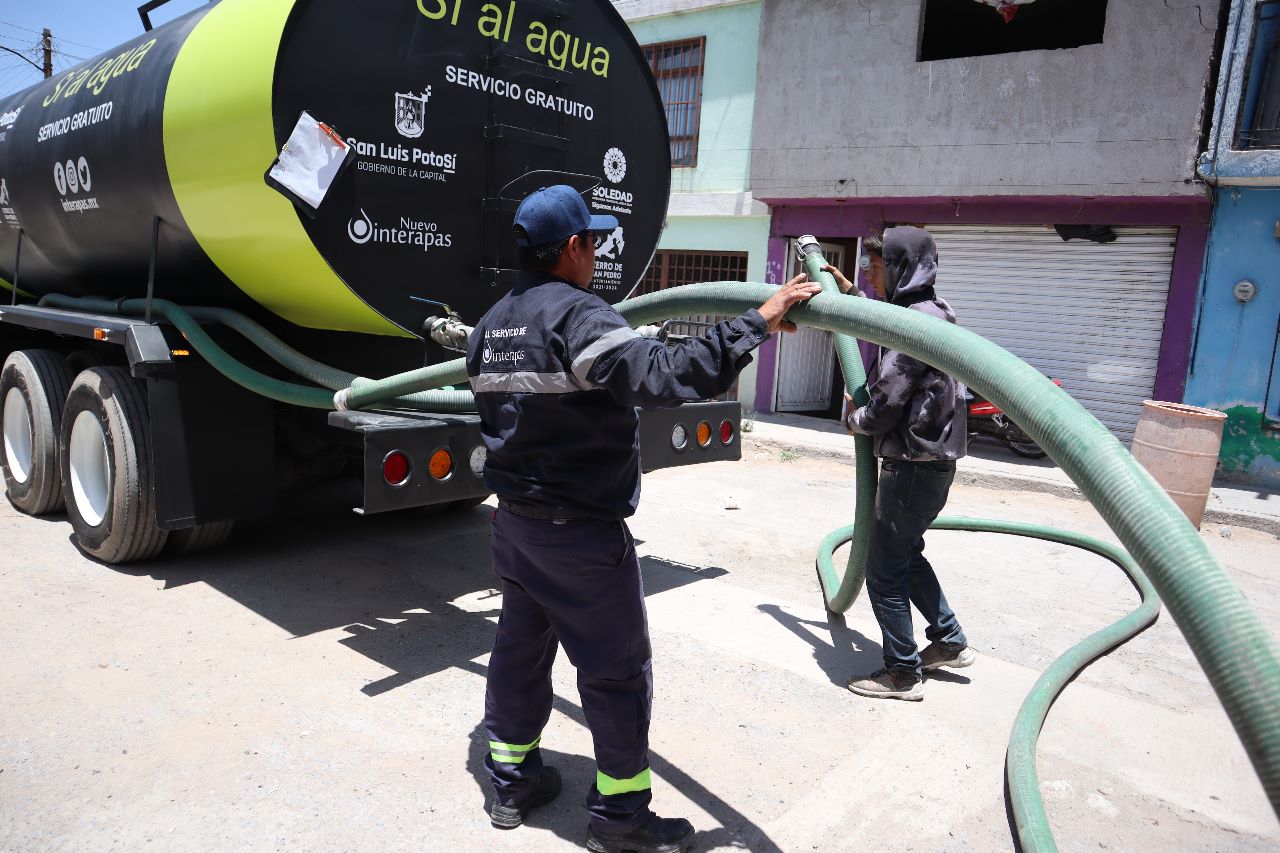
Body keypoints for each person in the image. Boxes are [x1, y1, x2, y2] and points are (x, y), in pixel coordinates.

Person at [466, 184, 821, 852]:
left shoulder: (490, 328)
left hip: (513, 528)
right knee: (615, 671)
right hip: (579, 535)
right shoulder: (579, 316)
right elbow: (667, 376)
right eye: (593, 242)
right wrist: (761, 318)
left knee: (518, 650)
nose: (596, 254)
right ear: (571, 246)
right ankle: (621, 819)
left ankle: (510, 780)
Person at [822, 227, 975, 702]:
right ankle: (947, 639)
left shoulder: (911, 326)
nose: (869, 275)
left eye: (875, 267)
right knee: (906, 554)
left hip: (910, 464)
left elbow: (887, 405)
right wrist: (850, 295)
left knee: (884, 569)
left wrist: (855, 419)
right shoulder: (932, 311)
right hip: (933, 464)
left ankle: (902, 673)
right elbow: (887, 320)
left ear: (899, 268)